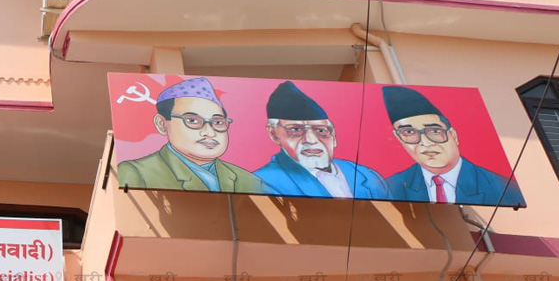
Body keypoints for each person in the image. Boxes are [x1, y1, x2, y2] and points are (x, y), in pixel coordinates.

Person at [116, 77, 269, 193]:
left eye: (218, 122)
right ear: (162, 124)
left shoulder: (249, 181)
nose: (210, 132)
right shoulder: (137, 173)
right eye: (193, 120)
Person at [382, 86, 525, 206]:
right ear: (399, 139)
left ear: (453, 135)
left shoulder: (503, 189)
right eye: (409, 132)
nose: (425, 142)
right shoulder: (391, 187)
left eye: (435, 131)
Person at [255, 81, 388, 199]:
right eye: (295, 130)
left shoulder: (366, 175)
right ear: (274, 134)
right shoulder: (263, 182)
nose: (311, 140)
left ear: (333, 136)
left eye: (320, 130)